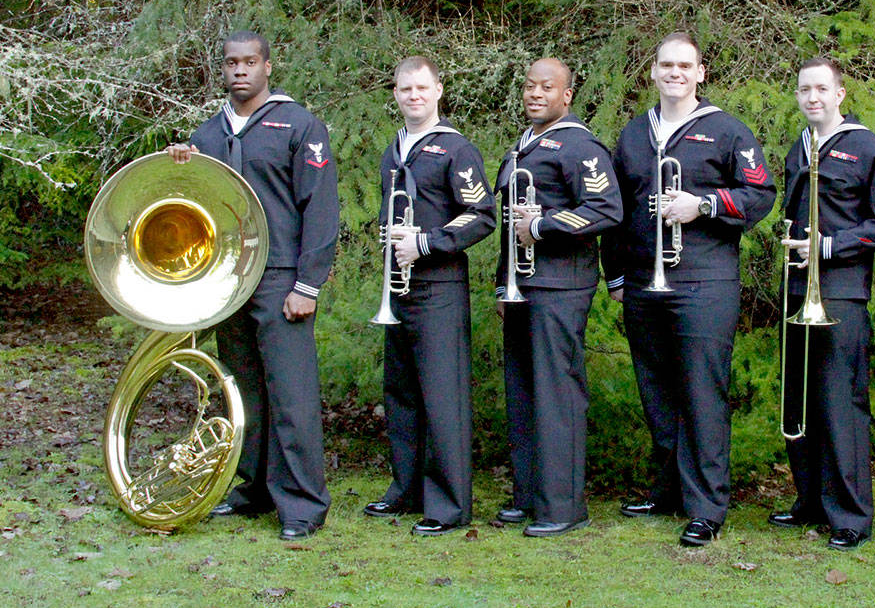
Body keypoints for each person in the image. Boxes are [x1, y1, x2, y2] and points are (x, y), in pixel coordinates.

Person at [603, 31, 776, 547]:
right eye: (665, 65)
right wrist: (615, 276)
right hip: (642, 281)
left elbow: (761, 193)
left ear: (701, 73)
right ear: (652, 73)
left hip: (704, 281)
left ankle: (706, 506)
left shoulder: (726, 131)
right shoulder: (634, 134)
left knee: (702, 392)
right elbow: (615, 211)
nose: (675, 73)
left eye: (685, 66)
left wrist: (701, 204)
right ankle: (668, 490)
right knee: (656, 390)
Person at [166, 30, 339, 541]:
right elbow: (193, 210)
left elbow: (320, 208)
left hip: (281, 277)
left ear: (267, 66)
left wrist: (308, 283)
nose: (240, 70)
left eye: (249, 62)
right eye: (230, 63)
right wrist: (180, 169)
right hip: (229, 279)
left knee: (292, 394)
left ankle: (303, 504)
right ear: (222, 70)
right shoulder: (207, 136)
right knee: (243, 391)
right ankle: (254, 489)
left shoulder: (299, 124)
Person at [769, 56, 875, 551]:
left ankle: (850, 515)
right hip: (798, 288)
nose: (813, 98)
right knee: (800, 398)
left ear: (840, 94)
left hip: (842, 291)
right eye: (805, 90)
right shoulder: (798, 146)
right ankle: (809, 501)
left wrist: (828, 246)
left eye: (822, 89)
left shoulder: (864, 145)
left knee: (841, 404)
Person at [363, 56, 495, 536]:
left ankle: (449, 505)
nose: (413, 96)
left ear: (439, 90)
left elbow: (481, 214)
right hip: (398, 288)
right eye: (405, 89)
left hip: (438, 287)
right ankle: (407, 489)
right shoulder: (394, 148)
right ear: (395, 94)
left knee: (443, 398)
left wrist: (426, 241)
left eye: (422, 88)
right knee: (402, 395)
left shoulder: (455, 149)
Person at [494, 58, 622, 537]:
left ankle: (565, 507)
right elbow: (509, 222)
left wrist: (543, 226)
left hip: (560, 285)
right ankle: (530, 496)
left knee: (557, 395)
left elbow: (607, 209)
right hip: (523, 288)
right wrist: (502, 284)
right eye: (529, 85)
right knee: (524, 394)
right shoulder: (522, 147)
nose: (535, 94)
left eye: (547, 87)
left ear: (566, 96)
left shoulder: (580, 145)